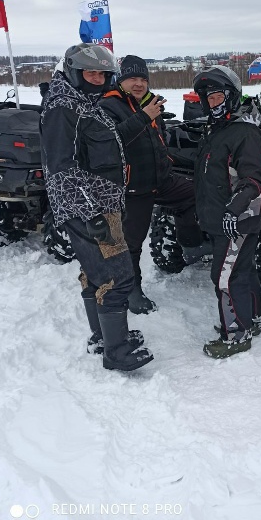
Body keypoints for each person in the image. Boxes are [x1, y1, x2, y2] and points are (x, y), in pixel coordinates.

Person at [40, 44, 153, 372]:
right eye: (91, 73)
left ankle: (103, 336)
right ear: (75, 73)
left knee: (95, 273)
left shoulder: (83, 103)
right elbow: (61, 167)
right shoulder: (64, 108)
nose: (97, 80)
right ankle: (116, 351)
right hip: (90, 209)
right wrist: (91, 213)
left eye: (103, 74)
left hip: (97, 204)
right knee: (117, 275)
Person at [100, 55, 206, 315]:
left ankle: (190, 243)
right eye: (132, 78)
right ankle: (131, 290)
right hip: (133, 186)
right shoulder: (108, 105)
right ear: (121, 80)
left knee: (195, 193)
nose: (138, 84)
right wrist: (144, 117)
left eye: (143, 79)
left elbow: (158, 144)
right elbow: (111, 143)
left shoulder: (151, 103)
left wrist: (190, 162)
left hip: (161, 179)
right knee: (132, 243)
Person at [192, 66, 261, 359]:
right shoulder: (217, 130)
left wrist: (234, 210)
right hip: (221, 218)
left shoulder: (244, 133)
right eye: (208, 98)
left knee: (225, 276)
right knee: (243, 270)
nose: (213, 102)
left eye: (217, 96)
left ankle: (236, 335)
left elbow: (253, 179)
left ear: (231, 96)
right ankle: (251, 319)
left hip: (236, 219)